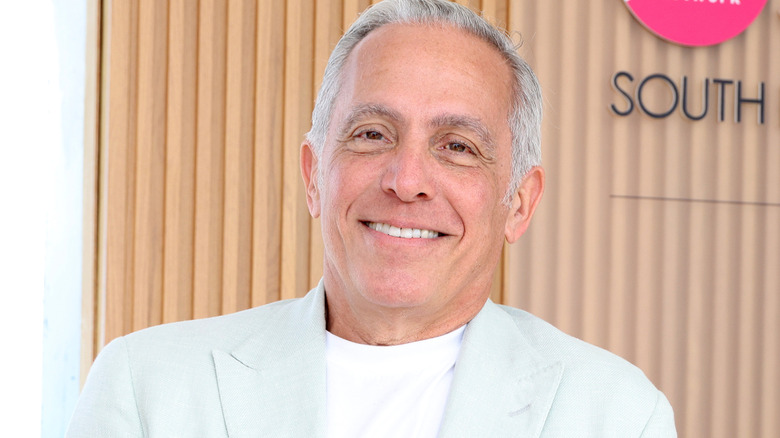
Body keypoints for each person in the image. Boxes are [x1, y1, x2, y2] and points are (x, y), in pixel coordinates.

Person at [67, 0, 676, 436]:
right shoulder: (147, 388)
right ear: (313, 175)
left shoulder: (616, 415)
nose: (406, 181)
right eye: (371, 134)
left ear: (517, 203)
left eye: (457, 146)